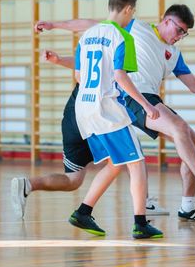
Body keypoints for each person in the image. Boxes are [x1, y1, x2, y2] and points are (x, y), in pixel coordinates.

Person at [35, 5, 195, 223]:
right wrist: (54, 25)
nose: (180, 36)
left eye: (185, 33)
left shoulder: (174, 54)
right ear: (166, 21)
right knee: (178, 128)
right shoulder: (136, 28)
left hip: (151, 99)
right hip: (131, 96)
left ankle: (188, 206)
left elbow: (194, 85)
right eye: (179, 30)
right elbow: (90, 25)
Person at [10, 50, 169, 219]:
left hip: (73, 116)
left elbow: (82, 65)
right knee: (127, 157)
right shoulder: (119, 48)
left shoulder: (96, 48)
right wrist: (146, 106)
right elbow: (120, 79)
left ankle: (28, 185)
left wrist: (59, 60)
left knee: (73, 180)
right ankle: (135, 209)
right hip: (95, 116)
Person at [68, 0, 163, 239]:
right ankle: (140, 223)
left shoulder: (86, 35)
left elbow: (78, 75)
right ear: (128, 9)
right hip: (107, 109)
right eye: (133, 12)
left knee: (115, 162)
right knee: (137, 163)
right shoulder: (122, 37)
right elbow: (120, 76)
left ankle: (83, 212)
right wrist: (147, 105)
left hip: (84, 108)